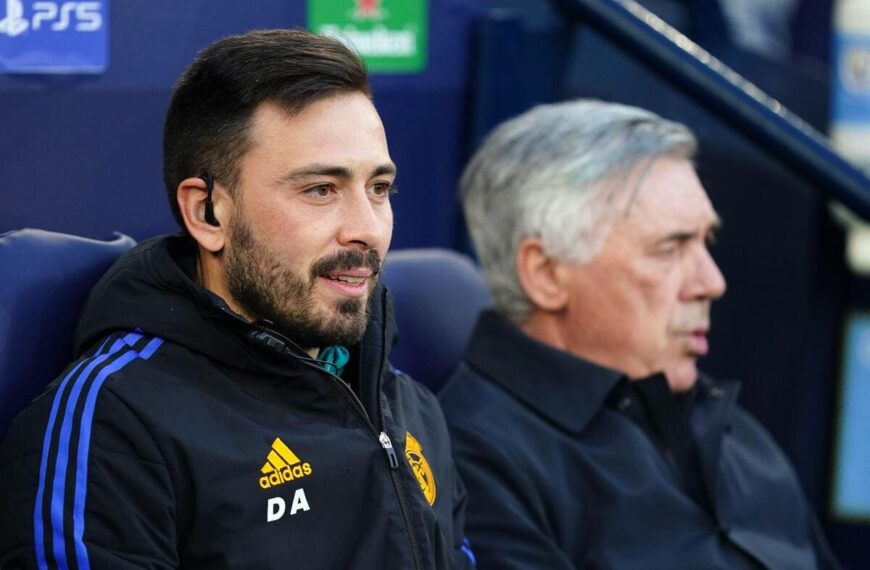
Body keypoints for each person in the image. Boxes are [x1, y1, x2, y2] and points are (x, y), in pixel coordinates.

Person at [0, 29, 474, 570]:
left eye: (379, 189)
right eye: (321, 189)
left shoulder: (406, 401)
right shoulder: (114, 424)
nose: (367, 229)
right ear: (207, 213)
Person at [439, 99, 838, 569]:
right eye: (670, 249)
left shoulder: (731, 429)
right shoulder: (474, 462)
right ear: (546, 274)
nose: (712, 282)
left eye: (706, 242)